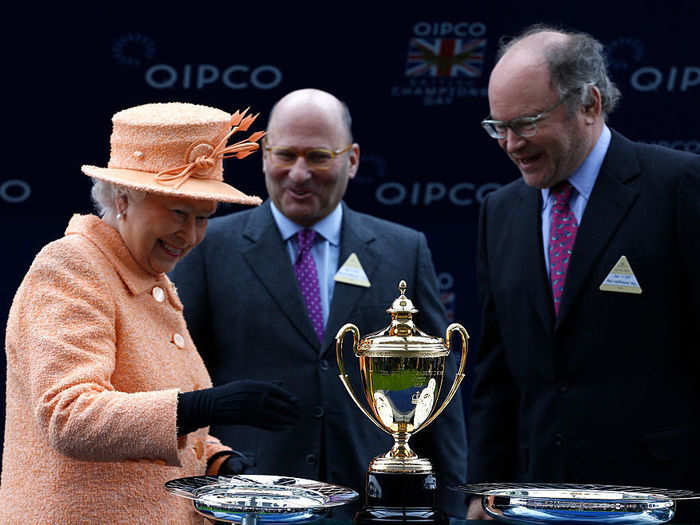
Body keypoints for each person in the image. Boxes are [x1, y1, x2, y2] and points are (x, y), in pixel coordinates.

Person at [170, 88, 468, 518]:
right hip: (250, 502)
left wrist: (454, 504)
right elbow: (179, 379)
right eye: (285, 155)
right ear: (264, 155)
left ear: (353, 159)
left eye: (318, 156)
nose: (298, 173)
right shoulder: (208, 248)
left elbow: (441, 387)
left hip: (375, 501)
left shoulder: (404, 250)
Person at [0, 102, 301, 524]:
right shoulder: (71, 265)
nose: (191, 235)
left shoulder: (150, 278)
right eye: (179, 212)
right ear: (123, 200)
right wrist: (206, 405)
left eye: (203, 218)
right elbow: (69, 418)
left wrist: (216, 462)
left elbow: (150, 415)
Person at [467, 25, 700, 520]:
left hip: (658, 502)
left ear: (589, 104)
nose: (510, 144)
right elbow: (495, 375)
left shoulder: (680, 188)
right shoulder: (500, 212)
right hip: (535, 504)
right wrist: (484, 492)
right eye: (498, 127)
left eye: (526, 123)